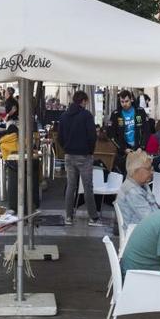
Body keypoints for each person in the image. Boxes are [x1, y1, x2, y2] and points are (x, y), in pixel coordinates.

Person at [58, 90, 98, 226]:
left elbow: (60, 138)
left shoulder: (64, 116)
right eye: (86, 101)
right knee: (87, 187)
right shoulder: (86, 115)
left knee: (71, 186)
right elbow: (92, 136)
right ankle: (93, 217)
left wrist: (67, 148)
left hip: (69, 155)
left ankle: (68, 216)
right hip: (84, 155)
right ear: (84, 101)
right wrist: (90, 151)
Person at [108, 89, 151, 176]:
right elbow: (111, 134)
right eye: (122, 101)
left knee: (139, 176)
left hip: (139, 150)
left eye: (126, 101)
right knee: (123, 176)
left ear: (131, 99)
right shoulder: (116, 114)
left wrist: (141, 147)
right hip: (123, 152)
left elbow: (147, 131)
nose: (124, 104)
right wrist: (123, 148)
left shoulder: (140, 111)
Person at [114, 151, 160, 231]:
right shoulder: (132, 191)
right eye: (148, 169)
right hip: (137, 235)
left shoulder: (141, 185)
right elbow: (152, 220)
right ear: (135, 170)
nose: (152, 172)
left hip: (141, 230)